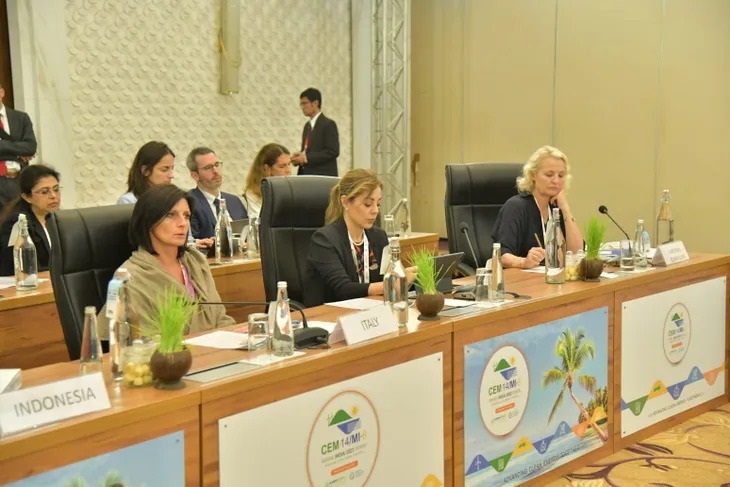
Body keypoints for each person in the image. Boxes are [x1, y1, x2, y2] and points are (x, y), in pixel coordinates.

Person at [111, 184, 235, 335]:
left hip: (215, 346)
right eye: (171, 215)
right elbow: (142, 339)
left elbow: (220, 317)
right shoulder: (129, 276)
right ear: (148, 221)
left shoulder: (196, 261)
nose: (183, 223)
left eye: (186, 216)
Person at [304, 169, 389, 307]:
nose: (375, 211)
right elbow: (343, 289)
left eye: (378, 204)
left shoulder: (379, 237)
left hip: (369, 312)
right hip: (330, 314)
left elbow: (386, 278)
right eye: (368, 204)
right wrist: (390, 285)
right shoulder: (324, 240)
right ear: (345, 202)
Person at [491, 145, 583, 269]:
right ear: (533, 175)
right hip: (522, 279)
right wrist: (524, 262)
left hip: (554, 277)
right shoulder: (516, 207)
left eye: (561, 176)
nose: (556, 181)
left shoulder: (556, 208)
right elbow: (501, 255)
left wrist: (565, 208)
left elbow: (577, 253)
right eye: (549, 175)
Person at [0, 165, 61, 276]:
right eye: (44, 192)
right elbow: (23, 266)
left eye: (56, 189)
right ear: (26, 197)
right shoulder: (18, 222)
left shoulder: (59, 219)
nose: (53, 196)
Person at [186, 147, 247, 242]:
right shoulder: (189, 202)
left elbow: (248, 233)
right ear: (195, 175)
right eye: (208, 168)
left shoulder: (234, 201)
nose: (216, 171)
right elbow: (191, 243)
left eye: (217, 165)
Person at [0, 83, 37, 210]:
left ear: (2, 93)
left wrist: (3, 146)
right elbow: (24, 148)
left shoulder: (21, 118)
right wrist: (17, 153)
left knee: (20, 219)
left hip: (18, 181)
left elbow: (30, 147)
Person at [291, 87, 339, 176]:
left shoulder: (328, 124)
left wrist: (306, 157)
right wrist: (300, 157)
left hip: (322, 176)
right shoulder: (307, 126)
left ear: (315, 103)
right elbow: (308, 151)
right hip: (306, 175)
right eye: (301, 104)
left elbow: (332, 152)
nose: (302, 107)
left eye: (304, 103)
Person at [242, 143, 292, 219]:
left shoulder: (292, 190)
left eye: (289, 164)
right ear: (266, 169)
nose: (288, 170)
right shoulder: (253, 194)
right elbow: (259, 221)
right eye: (282, 166)